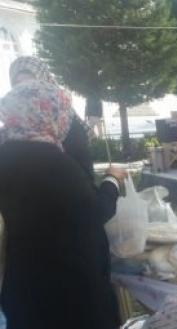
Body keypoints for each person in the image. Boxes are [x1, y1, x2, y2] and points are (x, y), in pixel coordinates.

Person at [0, 81, 122, 329]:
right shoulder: (54, 162)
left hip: (30, 283)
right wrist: (113, 181)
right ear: (50, 112)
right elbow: (94, 212)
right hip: (73, 286)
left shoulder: (5, 155)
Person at [8, 56, 123, 219]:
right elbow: (95, 210)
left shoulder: (9, 142)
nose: (29, 97)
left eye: (34, 88)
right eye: (20, 89)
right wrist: (113, 179)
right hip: (72, 238)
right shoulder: (55, 144)